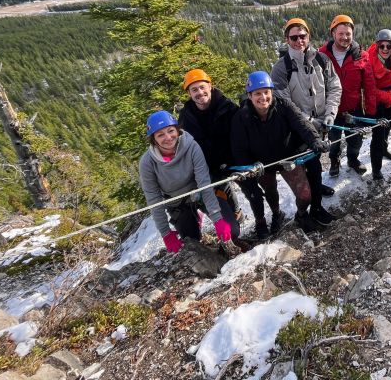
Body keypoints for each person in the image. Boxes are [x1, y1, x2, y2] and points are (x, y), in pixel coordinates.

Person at [230, 71, 331, 233]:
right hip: (262, 164)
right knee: (270, 190)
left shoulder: (284, 106)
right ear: (249, 96)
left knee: (305, 195)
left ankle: (301, 214)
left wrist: (314, 140)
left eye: (266, 92)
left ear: (272, 92)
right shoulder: (241, 118)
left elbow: (301, 123)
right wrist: (248, 166)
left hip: (288, 159)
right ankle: (277, 214)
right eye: (257, 93)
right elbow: (239, 147)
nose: (263, 97)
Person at [178, 68, 263, 243]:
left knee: (252, 190)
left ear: (210, 86)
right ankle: (234, 217)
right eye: (194, 90)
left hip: (234, 160)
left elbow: (243, 131)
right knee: (231, 223)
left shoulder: (227, 106)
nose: (199, 93)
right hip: (209, 168)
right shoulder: (186, 117)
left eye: (202, 87)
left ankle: (261, 222)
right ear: (189, 93)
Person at [271, 17, 341, 226]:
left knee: (316, 161)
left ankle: (316, 193)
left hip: (322, 123)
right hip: (298, 129)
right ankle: (313, 208)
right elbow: (283, 103)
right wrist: (310, 121)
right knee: (312, 163)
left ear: (308, 36)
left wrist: (330, 113)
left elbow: (335, 87)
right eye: (294, 37)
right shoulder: (281, 68)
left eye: (303, 36)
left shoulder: (321, 60)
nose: (299, 41)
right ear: (287, 39)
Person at [138, 111, 234, 254]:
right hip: (178, 203)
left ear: (177, 130)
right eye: (160, 134)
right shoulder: (147, 162)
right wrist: (166, 234)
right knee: (192, 241)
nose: (168, 137)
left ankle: (210, 214)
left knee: (233, 231)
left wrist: (217, 219)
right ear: (154, 139)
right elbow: (154, 199)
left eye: (171, 131)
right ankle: (193, 219)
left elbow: (204, 183)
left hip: (200, 193)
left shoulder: (191, 146)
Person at [319, 15, 377, 178]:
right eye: (341, 34)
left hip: (354, 108)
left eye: (348, 34)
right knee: (334, 141)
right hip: (332, 109)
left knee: (355, 140)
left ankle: (353, 159)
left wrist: (370, 113)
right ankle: (334, 161)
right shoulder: (321, 55)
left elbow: (369, 86)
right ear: (333, 34)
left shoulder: (361, 55)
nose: (345, 38)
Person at [366, 29, 391, 180]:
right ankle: (376, 169)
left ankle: (384, 150)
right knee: (378, 136)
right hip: (377, 103)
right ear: (377, 46)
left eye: (389, 46)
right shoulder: (369, 61)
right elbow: (371, 90)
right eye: (382, 46)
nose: (385, 49)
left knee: (387, 129)